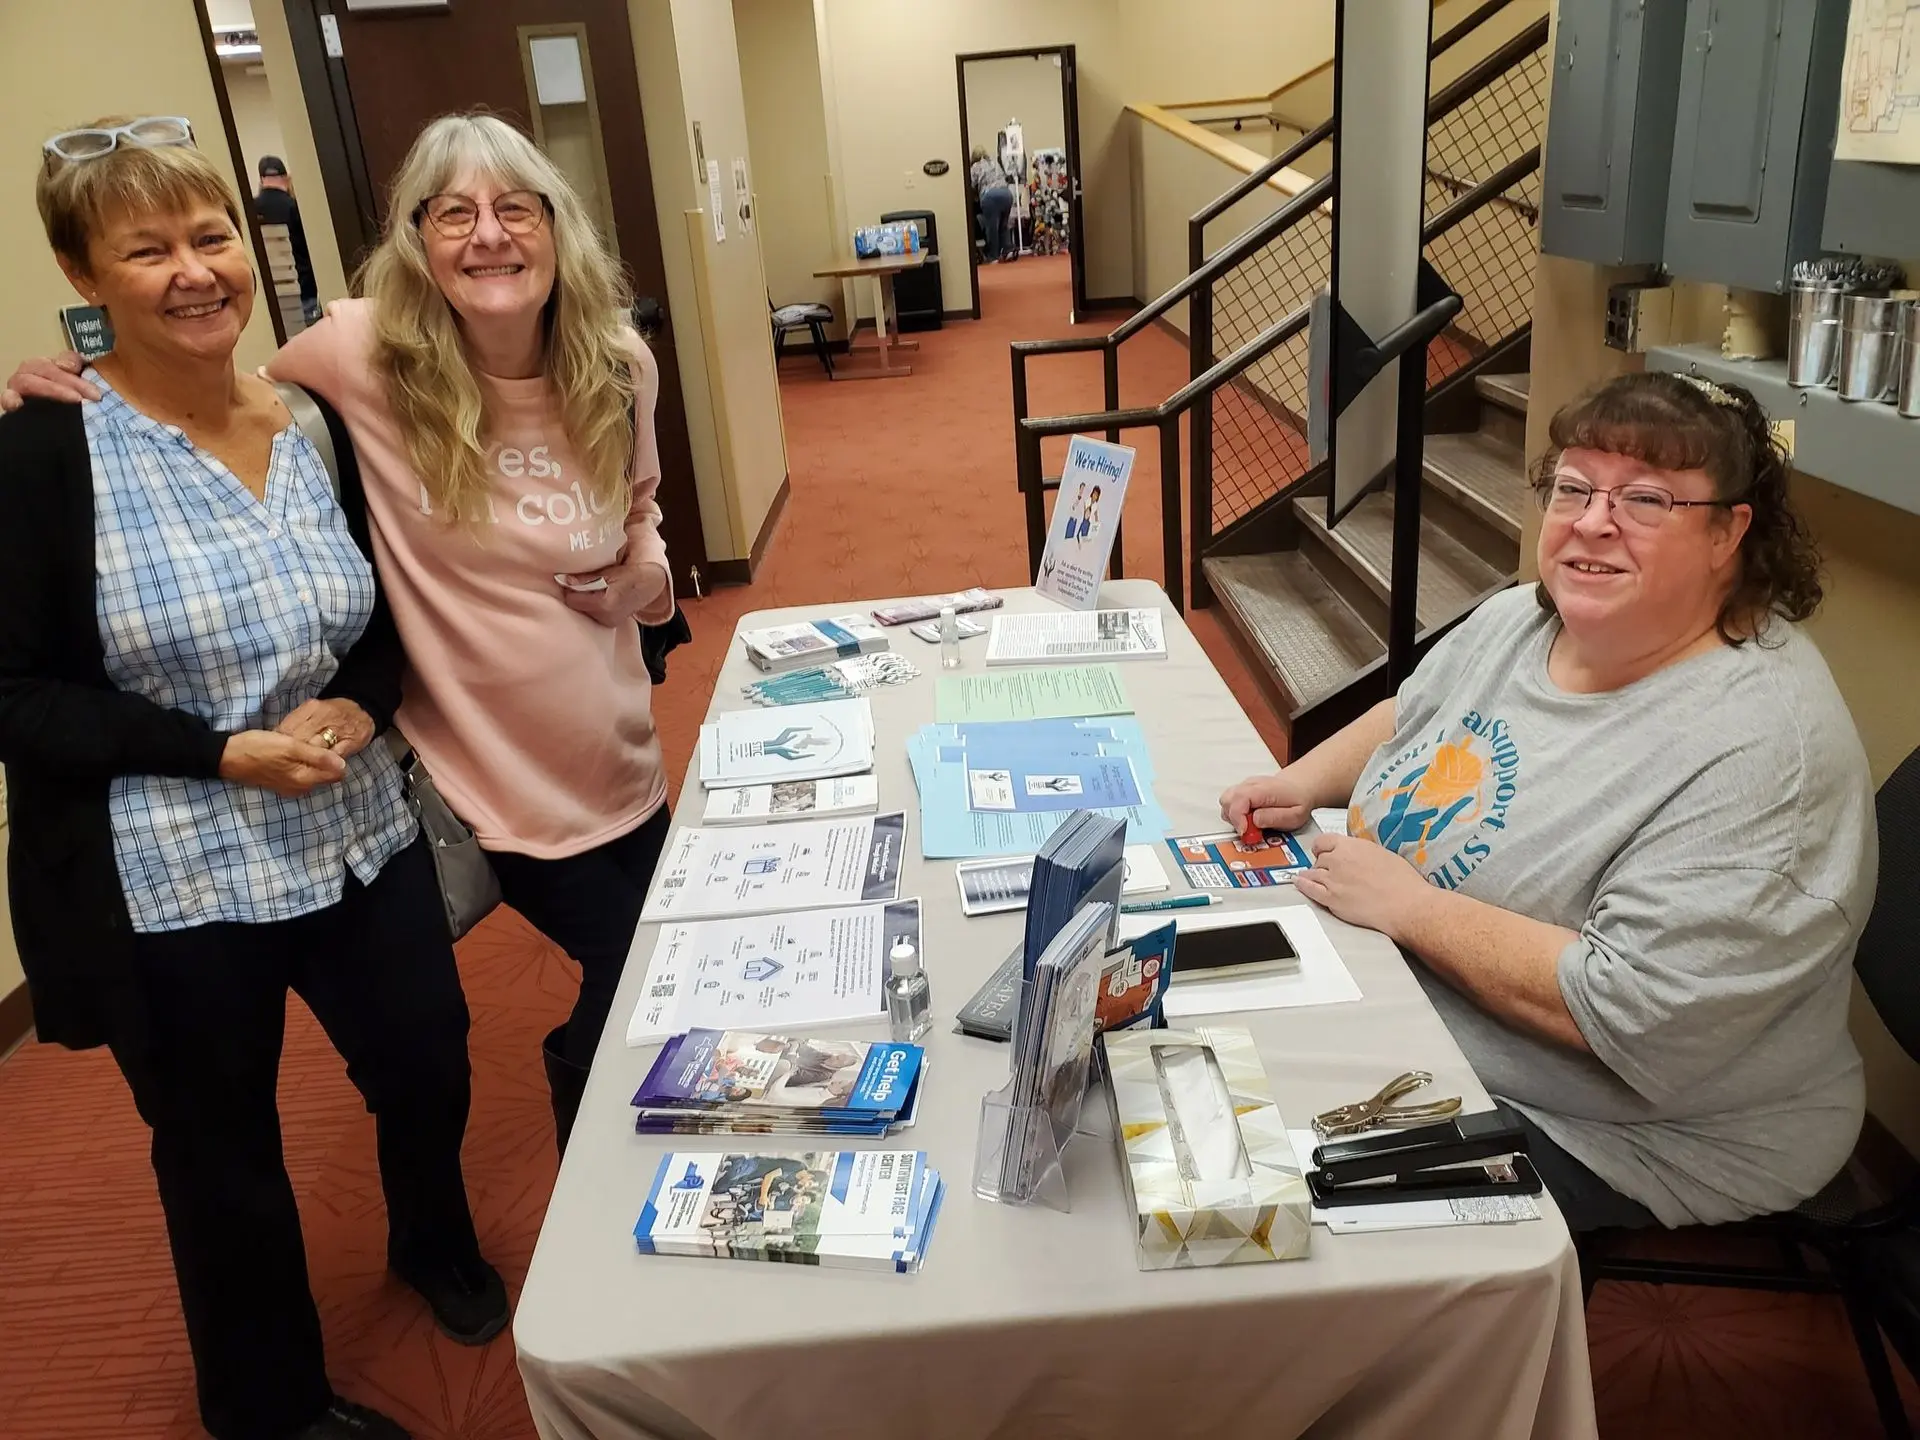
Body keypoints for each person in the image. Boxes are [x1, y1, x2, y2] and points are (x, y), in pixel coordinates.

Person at [7, 113, 680, 1155]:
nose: (488, 234)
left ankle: (599, 1121)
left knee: (653, 968)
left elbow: (641, 508)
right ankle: (599, 1142)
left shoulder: (618, 363)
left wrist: (649, 575)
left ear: (559, 226)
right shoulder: (360, 357)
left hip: (619, 749)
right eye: (452, 213)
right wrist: (72, 372)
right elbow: (195, 368)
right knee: (639, 973)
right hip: (482, 780)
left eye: (515, 208)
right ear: (416, 240)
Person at [0, 117, 503, 1440]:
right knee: (220, 1154)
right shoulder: (43, 452)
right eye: (145, 250)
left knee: (429, 1059)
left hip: (353, 825)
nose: (193, 271)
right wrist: (216, 750)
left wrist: (358, 701)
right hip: (173, 872)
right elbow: (16, 695)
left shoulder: (315, 421)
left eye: (211, 235)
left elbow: (385, 620)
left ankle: (431, 1238)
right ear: (82, 275)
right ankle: (268, 1408)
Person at [1221, 371, 1875, 1232]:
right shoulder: (1523, 620)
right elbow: (1413, 713)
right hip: (1401, 987)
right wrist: (1302, 781)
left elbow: (1627, 1009)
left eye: (1646, 499)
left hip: (1618, 1133)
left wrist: (1412, 909)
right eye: (1574, 488)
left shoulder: (1762, 758)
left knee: (1259, 1212)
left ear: (1728, 531)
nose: (1594, 521)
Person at [253, 154, 320, 324]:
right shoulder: (295, 206)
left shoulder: (250, 208)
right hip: (302, 289)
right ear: (286, 178)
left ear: (261, 179)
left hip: (270, 294)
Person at [969, 146, 1015, 263]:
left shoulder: (975, 167)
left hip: (990, 196)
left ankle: (993, 256)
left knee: (992, 227)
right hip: (1007, 194)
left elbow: (970, 186)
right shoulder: (995, 163)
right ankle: (1007, 250)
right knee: (1003, 225)